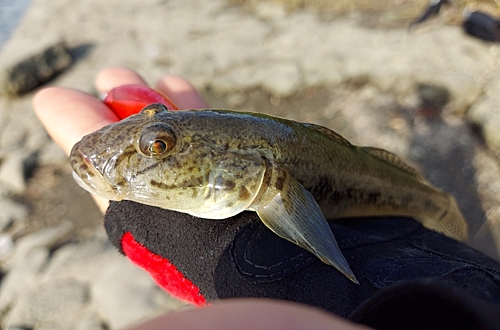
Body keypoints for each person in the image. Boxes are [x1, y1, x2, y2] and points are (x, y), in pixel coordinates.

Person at [33, 68, 500, 330]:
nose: (148, 154)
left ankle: (443, 215)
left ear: (259, 177)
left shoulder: (272, 181)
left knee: (435, 208)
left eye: (158, 146)